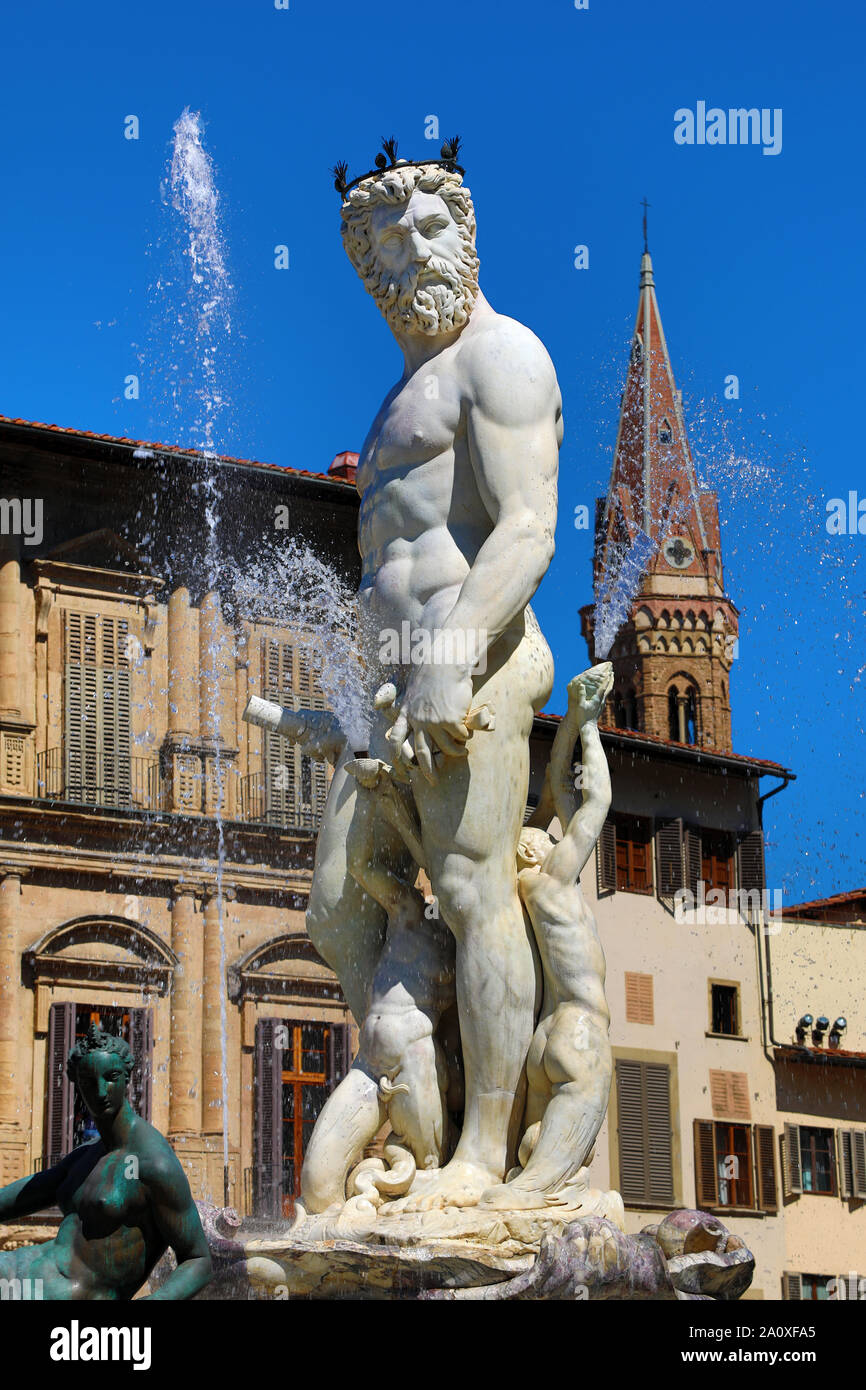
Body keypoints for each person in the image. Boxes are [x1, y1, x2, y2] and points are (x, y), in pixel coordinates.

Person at [301, 148, 561, 1212]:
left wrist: (451, 655)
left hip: (473, 665)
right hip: (392, 692)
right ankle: (415, 1098)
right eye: (379, 248)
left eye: (420, 231)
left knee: (470, 891)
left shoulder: (502, 355)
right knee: (332, 909)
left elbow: (527, 528)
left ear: (464, 229)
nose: (403, 260)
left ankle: (483, 1155)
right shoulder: (398, 397)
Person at [480, 664, 614, 1209]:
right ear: (539, 850)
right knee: (540, 1191)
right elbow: (594, 802)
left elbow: (558, 791)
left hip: (542, 1040)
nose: (554, 832)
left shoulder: (523, 887)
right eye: (545, 835)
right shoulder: (557, 879)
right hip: (581, 1029)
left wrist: (573, 718)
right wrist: (589, 729)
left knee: (528, 1162)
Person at [0, 1024, 212, 1300]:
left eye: (111, 1077)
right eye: (88, 1082)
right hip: (18, 1273)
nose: (100, 1092)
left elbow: (199, 1260)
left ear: (127, 1078)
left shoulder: (154, 1163)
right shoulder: (87, 1154)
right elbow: (28, 1193)